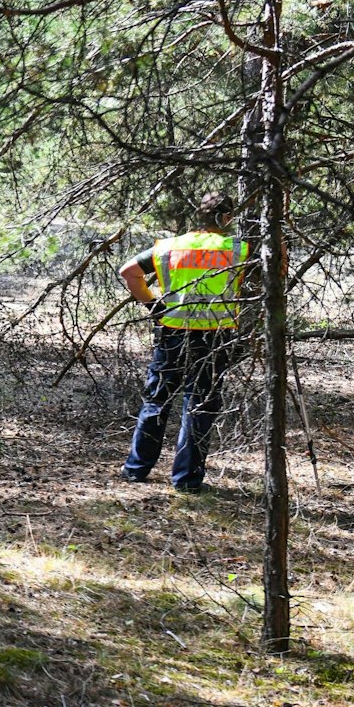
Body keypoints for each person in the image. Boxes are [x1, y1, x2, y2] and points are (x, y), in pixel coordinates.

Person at [117, 192, 251, 492]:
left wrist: (154, 307)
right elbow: (274, 273)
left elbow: (128, 272)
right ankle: (186, 481)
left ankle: (135, 470)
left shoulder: (169, 247)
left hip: (172, 332)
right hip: (214, 338)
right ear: (227, 217)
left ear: (199, 215)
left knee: (156, 402)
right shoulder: (239, 248)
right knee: (199, 405)